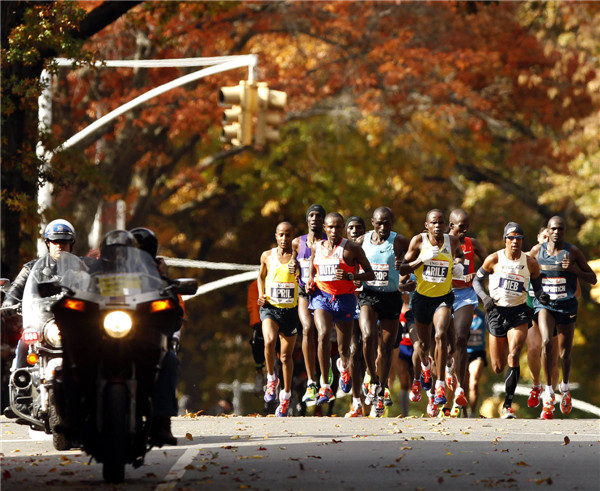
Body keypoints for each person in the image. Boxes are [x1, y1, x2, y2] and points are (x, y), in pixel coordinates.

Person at [473, 221, 549, 419]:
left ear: (522, 241)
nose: (515, 241)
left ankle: (507, 405)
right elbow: (476, 281)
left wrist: (542, 296)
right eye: (511, 238)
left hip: (519, 313)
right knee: (498, 367)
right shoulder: (493, 259)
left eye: (519, 238)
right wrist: (485, 298)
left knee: (514, 355)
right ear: (505, 240)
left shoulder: (530, 262)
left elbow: (538, 286)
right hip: (497, 312)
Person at [528, 216, 597, 419]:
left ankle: (564, 388)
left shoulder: (572, 251)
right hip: (544, 305)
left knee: (565, 353)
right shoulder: (536, 252)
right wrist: (537, 290)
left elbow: (592, 278)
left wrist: (573, 270)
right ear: (547, 231)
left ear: (564, 231)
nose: (556, 232)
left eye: (560, 229)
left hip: (566, 305)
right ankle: (548, 391)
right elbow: (525, 273)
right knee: (547, 342)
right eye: (553, 229)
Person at [399, 209, 464, 417]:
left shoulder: (452, 241)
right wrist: (422, 259)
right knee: (424, 346)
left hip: (443, 298)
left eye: (441, 223)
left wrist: (459, 266)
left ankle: (439, 385)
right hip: (421, 299)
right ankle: (426, 366)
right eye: (433, 223)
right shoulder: (418, 241)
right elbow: (402, 269)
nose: (437, 226)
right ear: (427, 225)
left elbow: (460, 255)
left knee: (441, 335)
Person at [307, 212, 374, 406]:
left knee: (344, 348)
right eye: (330, 227)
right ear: (325, 228)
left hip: (345, 299)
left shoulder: (351, 248)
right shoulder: (316, 247)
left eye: (338, 227)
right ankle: (325, 385)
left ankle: (343, 365)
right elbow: (313, 267)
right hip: (322, 297)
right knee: (322, 334)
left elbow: (369, 273)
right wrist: (311, 280)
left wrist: (351, 277)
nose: (334, 231)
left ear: (343, 228)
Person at [2, 219, 76, 380]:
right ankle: (21, 387)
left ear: (71, 243)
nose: (59, 245)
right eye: (55, 241)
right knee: (25, 341)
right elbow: (16, 288)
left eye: (63, 241)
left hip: (73, 323)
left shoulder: (82, 267)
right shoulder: (32, 268)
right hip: (42, 323)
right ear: (48, 243)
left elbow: (96, 286)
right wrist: (9, 302)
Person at [130, 227, 183, 446]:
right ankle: (71, 414)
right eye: (133, 251)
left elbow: (175, 314)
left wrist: (165, 278)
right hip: (110, 338)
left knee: (169, 358)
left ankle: (162, 422)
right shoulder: (109, 274)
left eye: (142, 251)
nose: (137, 256)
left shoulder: (158, 278)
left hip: (146, 341)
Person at [356, 207, 409, 417]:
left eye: (387, 223)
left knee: (387, 348)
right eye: (379, 223)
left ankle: (382, 386)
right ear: (372, 222)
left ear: (392, 223)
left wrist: (405, 269)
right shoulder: (362, 241)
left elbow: (415, 262)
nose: (383, 227)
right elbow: (347, 258)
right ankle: (373, 377)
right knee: (368, 336)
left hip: (391, 297)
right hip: (369, 295)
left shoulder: (400, 242)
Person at [447, 209, 487, 416]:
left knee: (461, 339)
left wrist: (477, 275)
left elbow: (489, 263)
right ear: (451, 225)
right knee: (445, 344)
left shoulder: (473, 244)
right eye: (460, 226)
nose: (464, 230)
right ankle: (441, 390)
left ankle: (460, 390)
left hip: (466, 295)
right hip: (443, 294)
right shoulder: (441, 242)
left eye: (466, 226)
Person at [257, 222, 300, 417]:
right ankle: (271, 378)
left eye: (288, 235)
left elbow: (305, 279)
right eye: (281, 235)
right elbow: (260, 276)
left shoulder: (298, 257)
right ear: (276, 236)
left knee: (285, 357)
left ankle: (285, 396)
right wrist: (261, 294)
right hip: (270, 308)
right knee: (269, 340)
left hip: (290, 311)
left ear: (292, 237)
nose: (284, 238)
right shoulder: (267, 255)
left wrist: (298, 271)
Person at [291, 204, 327, 408]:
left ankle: (325, 375)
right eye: (311, 215)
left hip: (324, 292)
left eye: (319, 216)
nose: (315, 219)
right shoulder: (298, 242)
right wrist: (293, 266)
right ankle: (312, 381)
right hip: (305, 293)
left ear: (323, 220)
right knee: (307, 329)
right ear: (307, 220)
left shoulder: (328, 242)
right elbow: (291, 263)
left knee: (323, 334)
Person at [343, 216, 367, 417]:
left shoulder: (371, 249)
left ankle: (369, 379)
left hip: (369, 302)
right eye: (350, 228)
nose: (355, 231)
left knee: (368, 347)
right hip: (348, 302)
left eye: (359, 228)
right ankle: (356, 402)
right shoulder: (341, 252)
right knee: (353, 350)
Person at [465, 308, 487, 417]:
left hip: (478, 353)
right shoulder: (460, 313)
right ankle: (463, 412)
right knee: (462, 385)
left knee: (473, 383)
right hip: (464, 353)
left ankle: (472, 412)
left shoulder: (481, 315)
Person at [246, 279, 265, 395]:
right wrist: (256, 322)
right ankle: (259, 373)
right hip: (263, 322)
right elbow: (253, 305)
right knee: (255, 341)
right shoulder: (255, 285)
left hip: (285, 320)